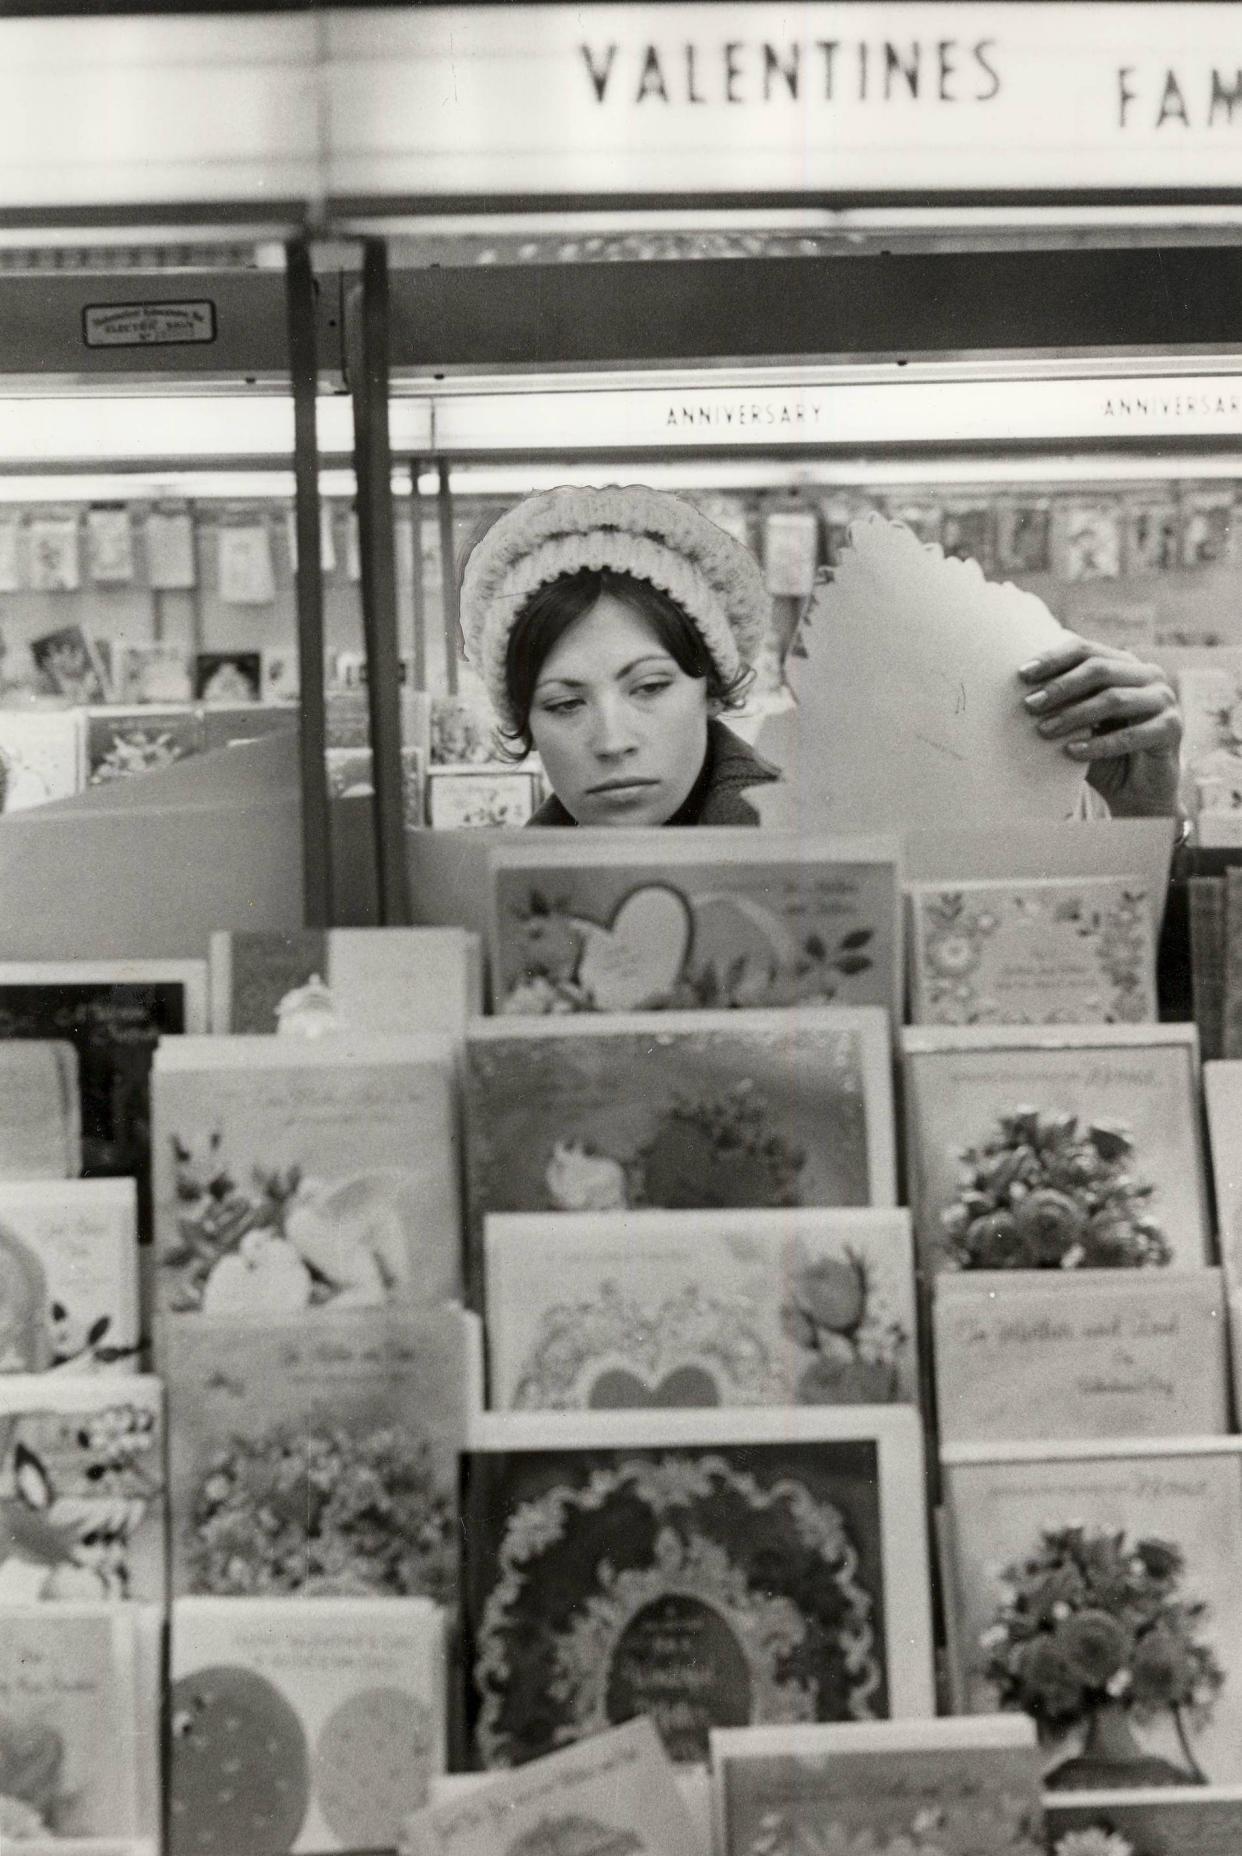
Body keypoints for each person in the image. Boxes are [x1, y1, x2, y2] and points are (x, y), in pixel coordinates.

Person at [459, 483, 1183, 828]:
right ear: (521, 719)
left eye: (648, 687)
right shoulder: (495, 895)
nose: (611, 740)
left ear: (710, 690)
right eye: (563, 704)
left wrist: (1144, 819)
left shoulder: (855, 836)